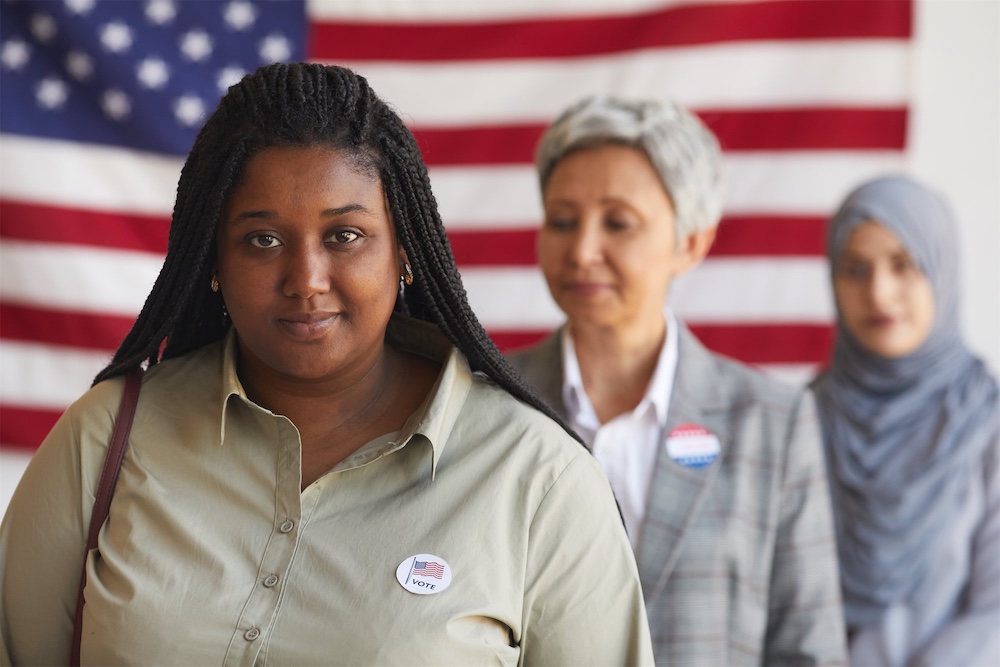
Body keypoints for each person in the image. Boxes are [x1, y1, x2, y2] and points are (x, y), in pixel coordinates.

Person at [0, 63, 654, 666]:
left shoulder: (538, 478)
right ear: (214, 265)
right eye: (262, 239)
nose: (306, 279)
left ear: (403, 251)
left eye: (344, 235)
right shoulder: (108, 436)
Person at [507, 96, 847, 666]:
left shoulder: (774, 423)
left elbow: (809, 651)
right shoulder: (488, 399)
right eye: (563, 221)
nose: (583, 250)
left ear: (689, 243)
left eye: (618, 223)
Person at [810, 175, 1000, 667]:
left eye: (903, 265)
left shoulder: (988, 423)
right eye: (855, 269)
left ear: (942, 269)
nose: (879, 292)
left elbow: (994, 614)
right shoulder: (801, 419)